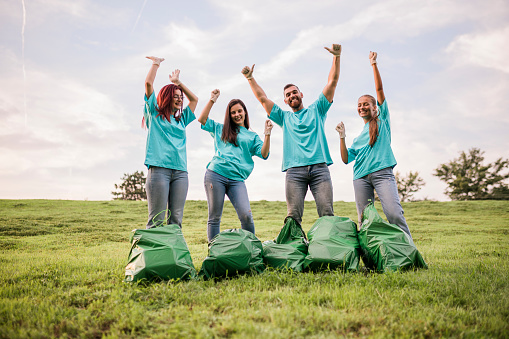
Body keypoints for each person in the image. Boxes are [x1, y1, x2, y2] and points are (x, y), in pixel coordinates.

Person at [241, 44, 341, 225]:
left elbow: (332, 83)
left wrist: (336, 57)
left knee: (327, 213)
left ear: (301, 94)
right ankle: (295, 249)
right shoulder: (284, 117)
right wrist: (250, 78)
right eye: (288, 94)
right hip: (294, 172)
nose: (292, 95)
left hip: (319, 168)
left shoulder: (317, 109)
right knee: (293, 217)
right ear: (285, 101)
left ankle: (327, 251)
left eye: (295, 91)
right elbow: (262, 98)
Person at [336, 51, 413, 239]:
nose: (361, 107)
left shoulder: (382, 121)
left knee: (394, 213)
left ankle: (408, 250)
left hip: (382, 174)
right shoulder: (358, 138)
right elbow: (346, 159)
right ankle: (371, 260)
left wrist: (373, 65)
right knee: (365, 221)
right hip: (360, 178)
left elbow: (379, 91)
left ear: (374, 108)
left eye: (365, 104)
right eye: (359, 105)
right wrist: (342, 137)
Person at [198, 89, 273, 241]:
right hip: (215, 174)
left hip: (237, 180)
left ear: (245, 112)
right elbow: (202, 119)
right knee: (214, 216)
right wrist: (212, 99)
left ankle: (252, 249)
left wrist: (267, 134)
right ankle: (213, 252)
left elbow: (264, 154)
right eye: (233, 112)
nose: (237, 114)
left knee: (246, 215)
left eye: (240, 111)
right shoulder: (221, 128)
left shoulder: (252, 136)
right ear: (229, 115)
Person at [143, 56, 198, 228]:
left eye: (180, 96)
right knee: (157, 220)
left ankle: (173, 255)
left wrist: (178, 83)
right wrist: (155, 64)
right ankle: (153, 255)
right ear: (166, 97)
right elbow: (148, 84)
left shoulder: (181, 120)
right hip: (159, 171)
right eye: (175, 96)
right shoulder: (154, 113)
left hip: (181, 173)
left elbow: (194, 100)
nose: (180, 99)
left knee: (176, 220)